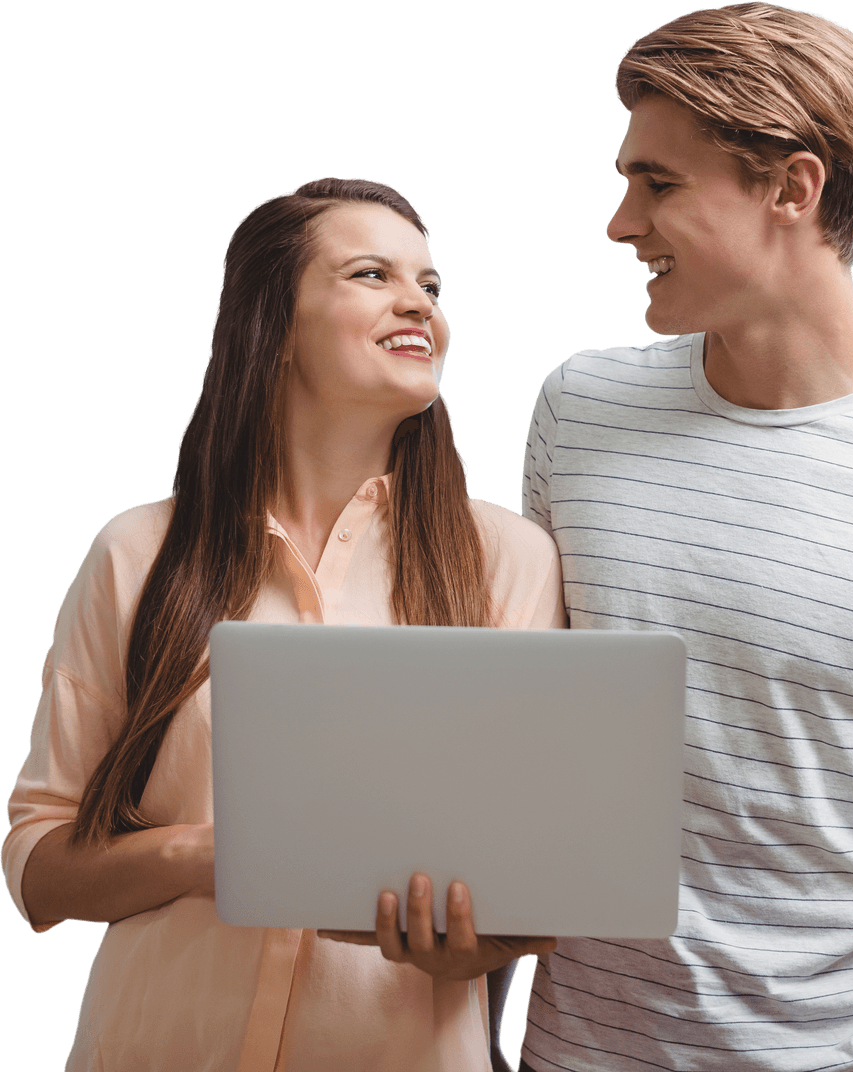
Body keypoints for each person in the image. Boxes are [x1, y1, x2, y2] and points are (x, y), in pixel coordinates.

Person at [510, 5, 853, 1071]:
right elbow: (528, 755)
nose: (619, 221)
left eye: (659, 183)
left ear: (792, 187)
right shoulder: (578, 409)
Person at [2, 176, 562, 1072]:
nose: (419, 301)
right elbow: (38, 857)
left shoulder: (508, 559)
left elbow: (536, 877)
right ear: (273, 320)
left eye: (432, 285)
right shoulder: (136, 553)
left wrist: (480, 944)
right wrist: (204, 855)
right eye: (372, 274)